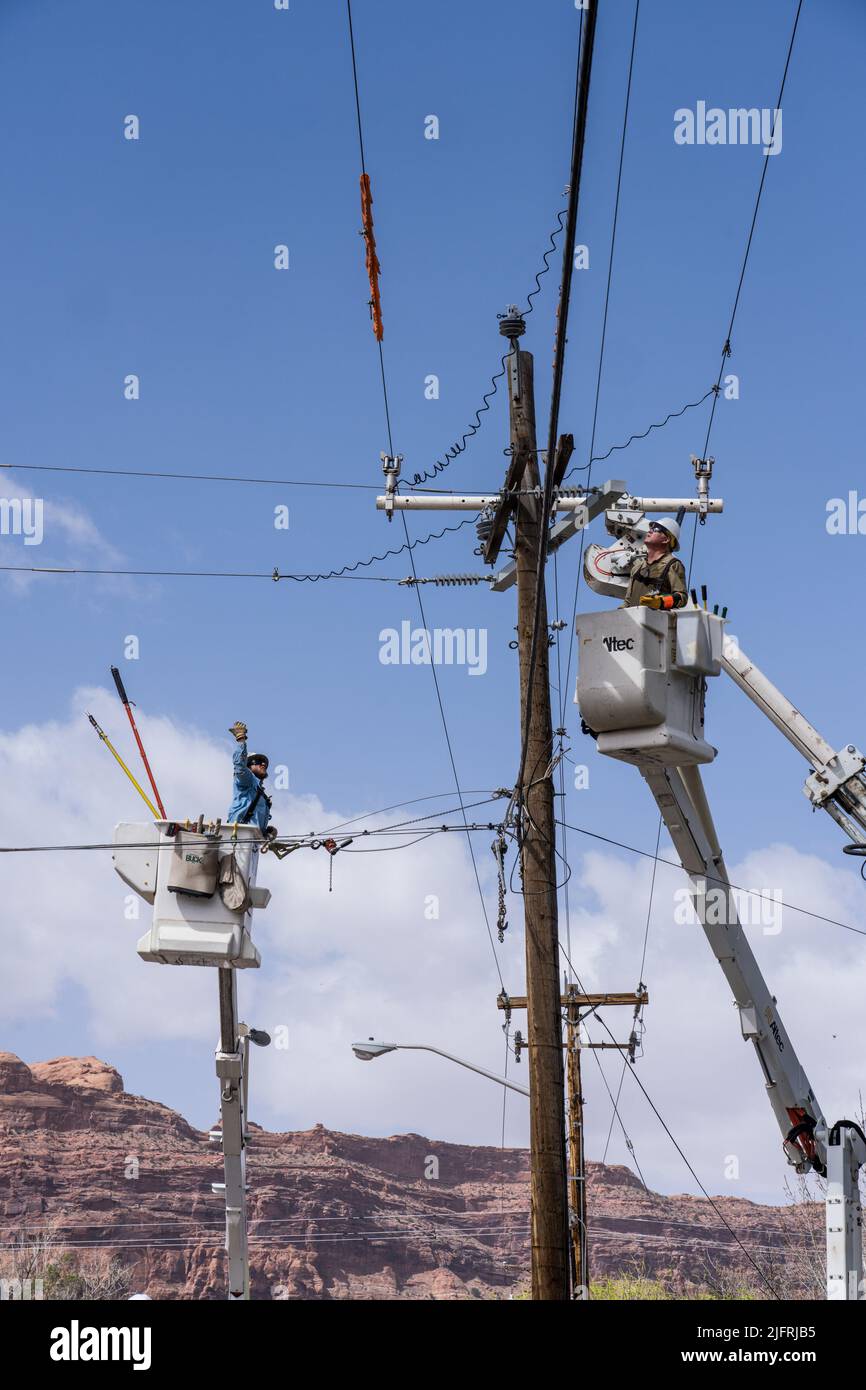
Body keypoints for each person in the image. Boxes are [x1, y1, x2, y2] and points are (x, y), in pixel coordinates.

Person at [622, 517, 687, 611]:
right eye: (650, 528)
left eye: (656, 529)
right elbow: (627, 602)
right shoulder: (637, 568)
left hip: (656, 622)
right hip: (634, 623)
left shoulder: (672, 565)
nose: (650, 531)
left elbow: (682, 597)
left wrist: (661, 602)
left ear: (666, 539)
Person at [227, 721, 272, 831]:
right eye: (259, 761)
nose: (264, 764)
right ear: (249, 766)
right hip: (239, 835)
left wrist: (266, 832)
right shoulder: (247, 780)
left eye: (265, 763)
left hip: (252, 841)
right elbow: (240, 767)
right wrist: (241, 740)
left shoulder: (261, 794)